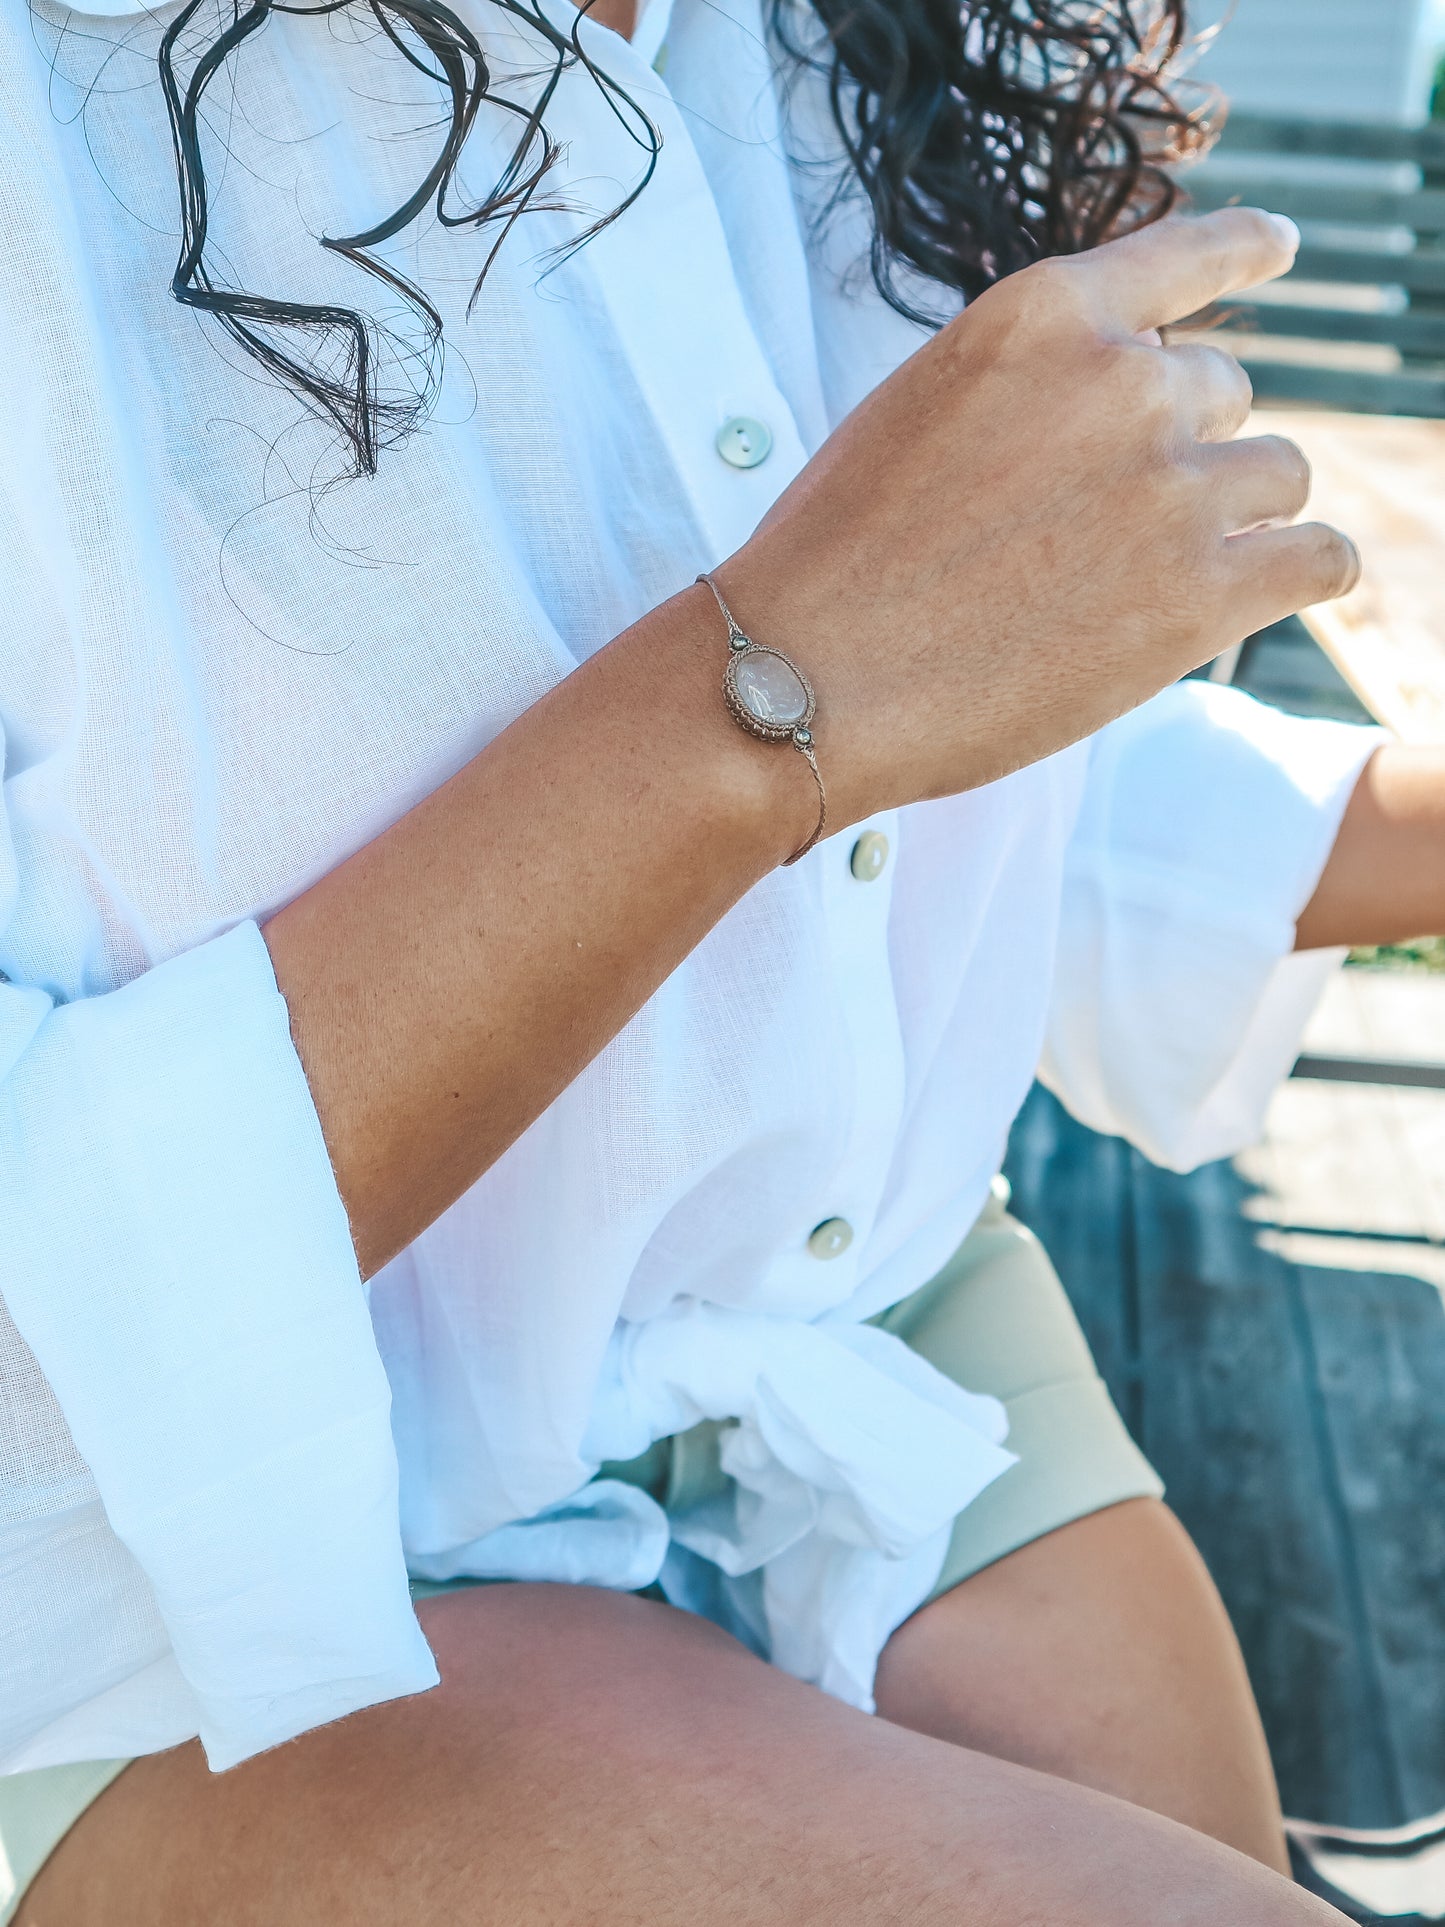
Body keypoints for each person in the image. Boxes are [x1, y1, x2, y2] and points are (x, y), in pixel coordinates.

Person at [1, 0, 1439, 1917]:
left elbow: (931, 815)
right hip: (149, 1560)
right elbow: (833, 694)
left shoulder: (811, 42)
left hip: (858, 1322)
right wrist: (776, 690)